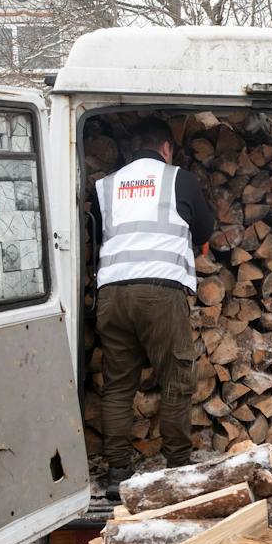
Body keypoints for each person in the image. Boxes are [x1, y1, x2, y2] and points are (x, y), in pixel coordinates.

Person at [93, 118, 214, 492]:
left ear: (133, 149)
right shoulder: (178, 178)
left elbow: (97, 232)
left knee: (117, 385)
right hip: (161, 292)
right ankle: (177, 467)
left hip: (112, 294)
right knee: (176, 380)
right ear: (166, 148)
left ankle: (117, 472)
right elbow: (205, 229)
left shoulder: (106, 185)